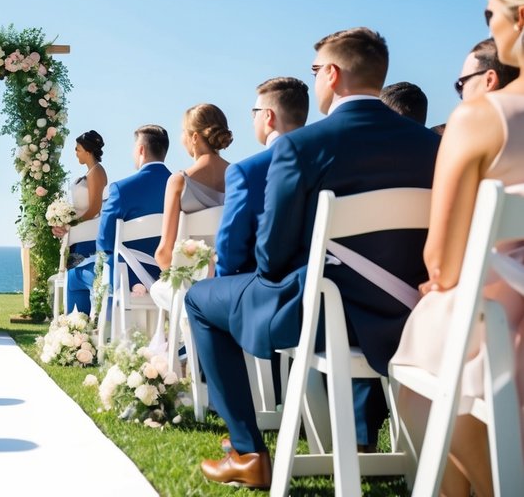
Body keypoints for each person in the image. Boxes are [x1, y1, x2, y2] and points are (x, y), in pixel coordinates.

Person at [185, 27, 439, 488]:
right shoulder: (431, 146)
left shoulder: (300, 146)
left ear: (334, 74)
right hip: (411, 313)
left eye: (316, 68)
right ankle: (360, 438)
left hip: (322, 313)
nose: (316, 78)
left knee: (200, 299)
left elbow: (272, 259)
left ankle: (247, 451)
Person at [392, 0, 524, 497]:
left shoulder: (480, 118)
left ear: (520, 18)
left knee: (426, 357)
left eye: (490, 12)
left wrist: (444, 279)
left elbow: (442, 264)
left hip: (498, 320)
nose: (489, 23)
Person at [67, 125, 173, 325]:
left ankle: (79, 338)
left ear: (141, 150)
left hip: (126, 277)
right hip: (168, 276)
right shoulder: (180, 186)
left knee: (73, 278)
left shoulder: (122, 189)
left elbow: (105, 243)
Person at [215, 78, 309, 277]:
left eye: (254, 113)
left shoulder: (246, 171)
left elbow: (230, 252)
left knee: (195, 296)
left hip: (266, 284)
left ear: (268, 116)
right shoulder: (324, 162)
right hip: (322, 281)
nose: (253, 119)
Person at [153, 104, 230, 274]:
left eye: (183, 131)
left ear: (194, 137)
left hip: (191, 282)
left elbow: (164, 253)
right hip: (228, 276)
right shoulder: (239, 176)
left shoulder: (179, 181)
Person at [55, 130, 107, 314]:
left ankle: (79, 323)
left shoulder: (96, 172)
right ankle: (75, 325)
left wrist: (70, 223)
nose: (76, 153)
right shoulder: (91, 172)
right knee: (75, 283)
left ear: (87, 150)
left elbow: (94, 209)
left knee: (80, 281)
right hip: (79, 237)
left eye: (77, 149)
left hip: (88, 238)